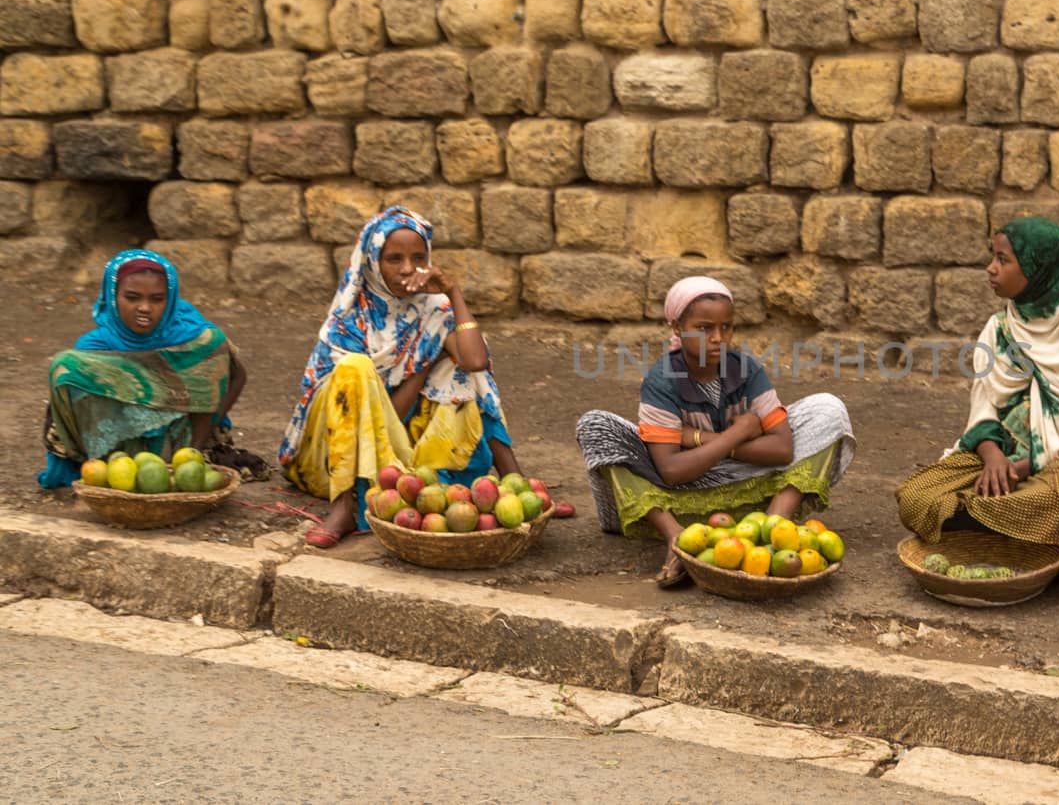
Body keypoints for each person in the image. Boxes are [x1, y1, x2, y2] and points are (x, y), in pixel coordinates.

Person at [279, 207, 555, 548]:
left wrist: (453, 294)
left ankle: (514, 481)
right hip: (330, 459)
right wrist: (425, 363)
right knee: (355, 369)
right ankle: (343, 506)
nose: (408, 269)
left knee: (462, 360)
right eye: (394, 259)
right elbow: (380, 418)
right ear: (372, 262)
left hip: (398, 460)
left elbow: (475, 361)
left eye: (418, 258)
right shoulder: (349, 322)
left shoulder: (433, 308)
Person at [576, 276, 855, 587]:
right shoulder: (662, 381)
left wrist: (701, 438)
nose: (718, 337)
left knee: (827, 410)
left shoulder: (745, 369)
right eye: (704, 328)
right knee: (596, 426)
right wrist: (738, 433)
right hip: (676, 495)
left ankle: (774, 525)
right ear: (678, 328)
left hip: (745, 478)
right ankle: (677, 538)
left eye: (727, 327)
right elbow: (670, 470)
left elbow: (782, 449)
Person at [896, 217, 1059, 550]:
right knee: (917, 495)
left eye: (1003, 260)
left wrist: (1020, 470)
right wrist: (994, 460)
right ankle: (1012, 527)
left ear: (1039, 271)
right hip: (1001, 458)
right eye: (993, 257)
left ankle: (980, 523)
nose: (991, 268)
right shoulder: (998, 329)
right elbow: (983, 408)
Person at [39, 249, 263, 487]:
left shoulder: (194, 340)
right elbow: (70, 407)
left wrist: (194, 450)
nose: (145, 308)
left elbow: (237, 376)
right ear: (113, 297)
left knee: (212, 345)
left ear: (171, 300)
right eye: (132, 297)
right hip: (112, 451)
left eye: (157, 299)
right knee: (65, 367)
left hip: (177, 442)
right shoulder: (94, 347)